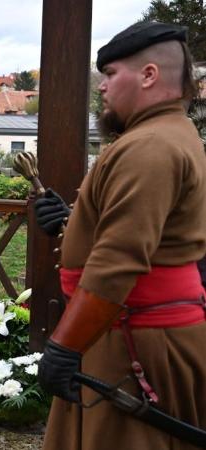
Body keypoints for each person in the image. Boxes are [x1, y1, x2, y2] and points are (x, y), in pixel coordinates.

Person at [37, 22, 206, 450]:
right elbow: (149, 235)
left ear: (149, 75)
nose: (103, 88)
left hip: (135, 342)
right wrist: (71, 221)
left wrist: (65, 346)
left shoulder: (150, 147)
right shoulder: (167, 134)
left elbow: (120, 261)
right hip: (127, 333)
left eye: (111, 75)